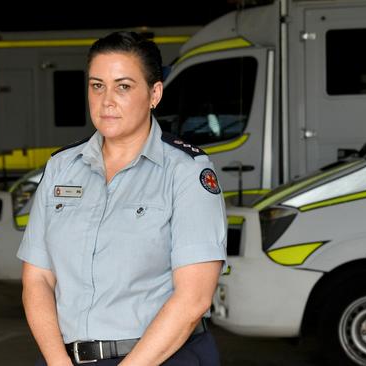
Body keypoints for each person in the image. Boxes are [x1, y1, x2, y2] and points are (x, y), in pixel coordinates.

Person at [17, 31, 228, 365]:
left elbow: (193, 299)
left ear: (154, 93)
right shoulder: (61, 168)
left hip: (162, 357)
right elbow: (37, 278)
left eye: (124, 86)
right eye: (97, 85)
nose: (107, 100)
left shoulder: (186, 172)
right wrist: (58, 362)